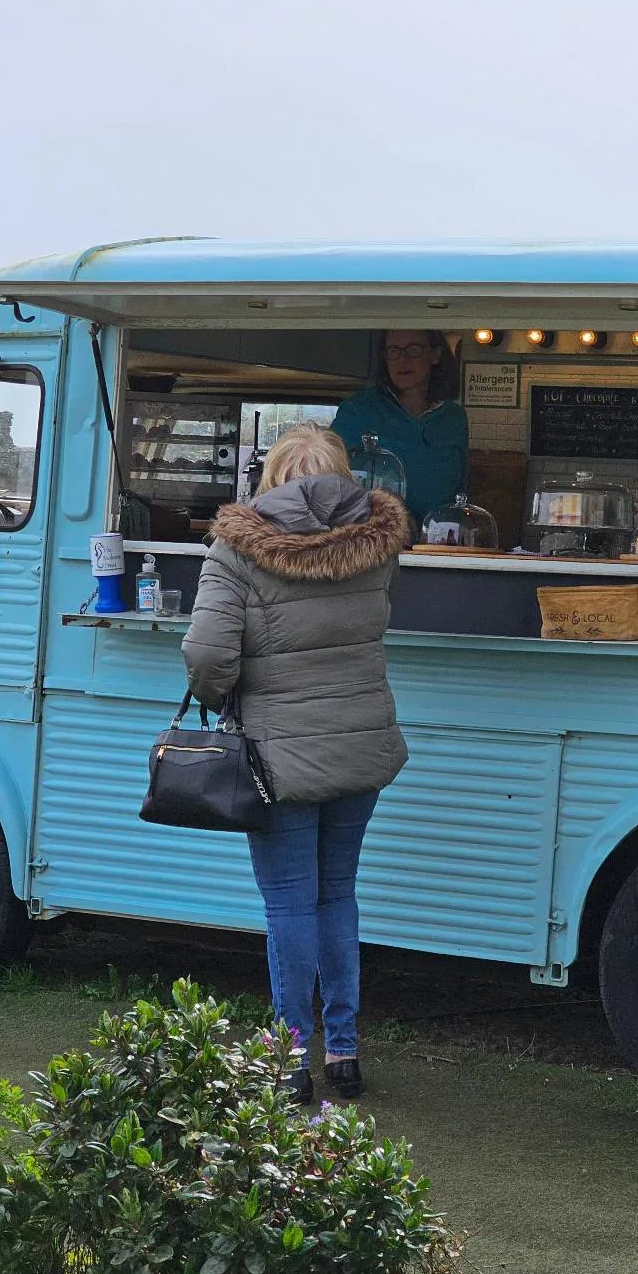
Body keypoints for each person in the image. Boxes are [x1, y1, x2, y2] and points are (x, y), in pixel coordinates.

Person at [181, 423, 410, 1105]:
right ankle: (343, 1054)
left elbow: (206, 655)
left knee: (288, 903)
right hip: (360, 746)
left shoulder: (237, 550)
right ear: (342, 476)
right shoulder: (378, 544)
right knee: (336, 894)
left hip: (278, 758)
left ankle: (289, 1058)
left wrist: (221, 698)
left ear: (271, 477)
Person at [331, 330, 469, 528]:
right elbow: (331, 478)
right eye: (393, 351)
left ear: (435, 355)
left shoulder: (455, 418)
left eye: (413, 350)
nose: (402, 359)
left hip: (436, 544)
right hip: (374, 541)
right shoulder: (358, 410)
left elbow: (460, 491)